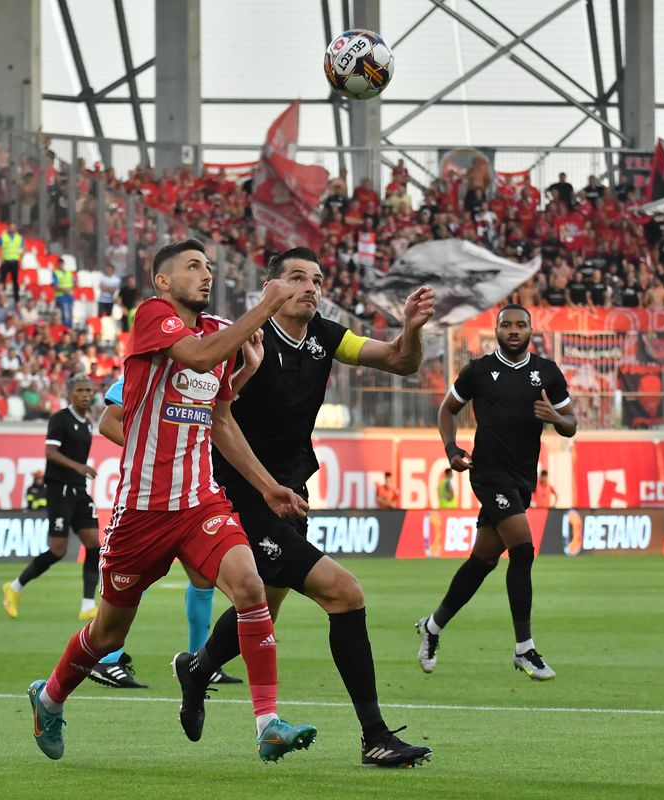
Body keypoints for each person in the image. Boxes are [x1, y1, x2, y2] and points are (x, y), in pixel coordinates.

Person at [27, 239, 318, 764]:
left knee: (251, 586)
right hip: (140, 510)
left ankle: (268, 723)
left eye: (208, 267)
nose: (205, 275)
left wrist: (266, 485)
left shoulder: (215, 333)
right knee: (108, 632)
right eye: (192, 267)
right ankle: (48, 698)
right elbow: (197, 358)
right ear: (163, 281)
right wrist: (267, 306)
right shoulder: (153, 316)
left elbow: (220, 417)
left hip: (200, 502)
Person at [176, 247, 434, 768]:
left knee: (264, 609)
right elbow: (216, 419)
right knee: (344, 593)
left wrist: (410, 329)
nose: (310, 287)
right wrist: (268, 486)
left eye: (317, 279)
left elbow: (400, 362)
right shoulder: (244, 336)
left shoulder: (327, 336)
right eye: (296, 278)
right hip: (241, 493)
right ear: (269, 288)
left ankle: (198, 668)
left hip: (288, 490)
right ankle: (375, 735)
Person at [417, 304, 577, 681]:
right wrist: (452, 450)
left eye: (521, 325)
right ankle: (524, 648)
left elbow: (571, 425)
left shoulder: (546, 373)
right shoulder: (478, 370)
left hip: (523, 478)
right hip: (488, 474)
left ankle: (433, 626)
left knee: (483, 560)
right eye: (507, 325)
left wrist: (556, 418)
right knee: (522, 548)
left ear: (531, 331)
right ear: (497, 330)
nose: (514, 330)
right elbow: (447, 410)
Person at [85, 373, 242, 690]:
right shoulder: (149, 365)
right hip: (155, 496)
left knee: (203, 577)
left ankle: (201, 662)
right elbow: (108, 422)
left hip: (194, 491)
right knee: (135, 576)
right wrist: (153, 456)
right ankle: (107, 658)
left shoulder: (208, 368)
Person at [3, 375, 102, 621]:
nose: (85, 395)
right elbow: (50, 452)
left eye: (89, 390)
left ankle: (88, 605)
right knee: (58, 550)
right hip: (60, 490)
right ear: (70, 393)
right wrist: (78, 467)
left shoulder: (88, 423)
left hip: (79, 490)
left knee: (93, 543)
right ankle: (14, 587)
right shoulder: (60, 419)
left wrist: (80, 472)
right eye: (80, 390)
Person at [0, 222, 24, 304]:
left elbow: (24, 247)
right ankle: (0, 297)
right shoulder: (4, 236)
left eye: (14, 227)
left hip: (14, 262)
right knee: (2, 280)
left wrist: (21, 257)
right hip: (5, 261)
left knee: (15, 281)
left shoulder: (19, 237)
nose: (12, 229)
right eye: (11, 227)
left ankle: (17, 300)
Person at [53, 259, 75, 327]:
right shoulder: (55, 273)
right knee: (65, 314)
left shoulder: (69, 273)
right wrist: (65, 289)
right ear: (58, 264)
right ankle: (65, 329)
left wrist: (70, 290)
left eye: (62, 264)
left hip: (70, 296)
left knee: (70, 314)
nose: (61, 265)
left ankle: (69, 328)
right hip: (61, 296)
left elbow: (74, 282)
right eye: (59, 264)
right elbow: (55, 286)